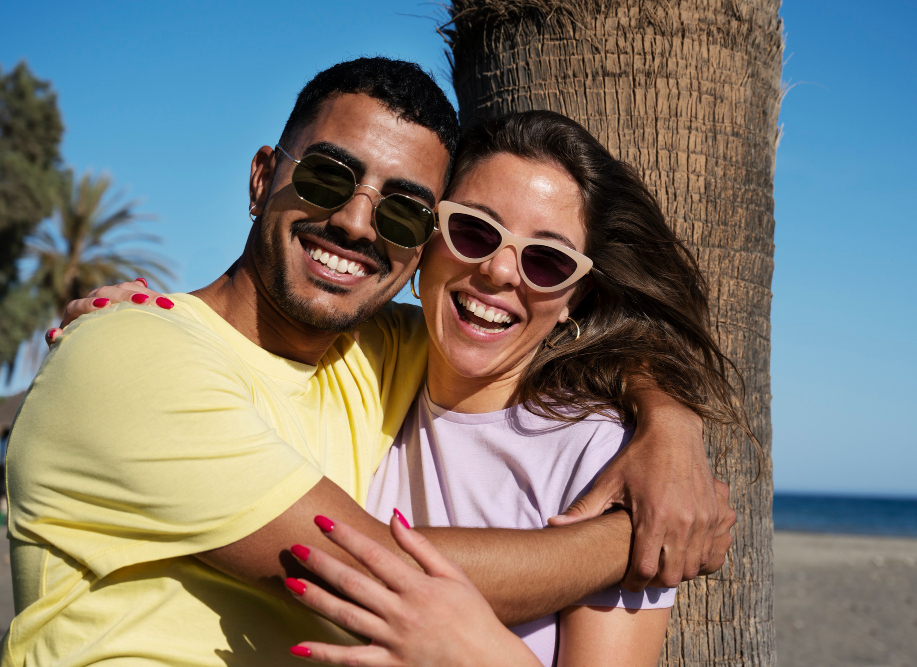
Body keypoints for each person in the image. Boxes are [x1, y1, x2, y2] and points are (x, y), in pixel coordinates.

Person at [6, 58, 732, 666]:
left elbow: (537, 335)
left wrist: (671, 421)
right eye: (327, 177)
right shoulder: (135, 354)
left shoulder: (379, 349)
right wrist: (630, 536)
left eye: (401, 211)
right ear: (262, 177)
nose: (356, 223)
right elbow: (362, 563)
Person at [275, 111, 750, 666]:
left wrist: (477, 654)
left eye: (546, 261)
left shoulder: (601, 460)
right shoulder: (361, 360)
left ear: (574, 295)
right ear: (429, 235)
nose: (500, 271)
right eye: (473, 230)